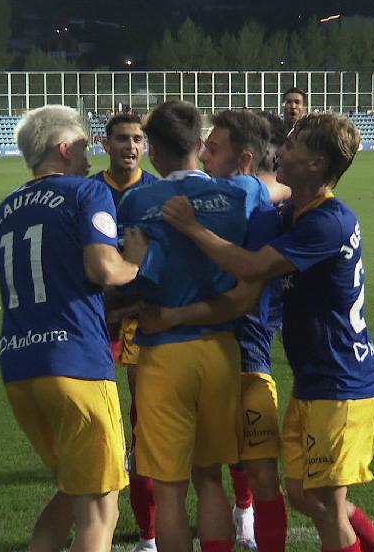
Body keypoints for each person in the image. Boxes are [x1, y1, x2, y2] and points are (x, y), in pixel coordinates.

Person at [147, 113, 374, 552]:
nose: (281, 151)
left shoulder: (326, 222)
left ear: (317, 164)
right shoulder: (293, 212)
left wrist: (191, 226)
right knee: (303, 495)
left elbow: (251, 269)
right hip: (315, 379)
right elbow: (268, 190)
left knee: (326, 505)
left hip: (343, 383)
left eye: (294, 145)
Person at [116, 100, 265, 552]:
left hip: (163, 351)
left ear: (153, 152)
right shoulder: (244, 192)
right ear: (200, 146)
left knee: (169, 486)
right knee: (211, 478)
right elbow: (270, 191)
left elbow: (129, 274)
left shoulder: (137, 200)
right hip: (220, 349)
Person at [0, 105, 143, 551]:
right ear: (62, 149)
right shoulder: (85, 192)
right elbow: (102, 269)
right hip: (75, 363)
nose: (87, 153)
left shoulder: (6, 207)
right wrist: (135, 259)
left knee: (71, 489)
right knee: (101, 511)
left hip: (20, 365)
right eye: (81, 145)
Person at [197, 109, 287, 552]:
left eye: (212, 150)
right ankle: (243, 513)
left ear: (245, 160)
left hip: (248, 354)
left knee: (261, 470)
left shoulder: (258, 208)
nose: (203, 156)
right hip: (202, 356)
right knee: (210, 470)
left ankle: (247, 512)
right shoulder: (215, 197)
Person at [89, 111, 159, 552]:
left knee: (143, 416)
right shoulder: (91, 190)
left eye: (137, 139)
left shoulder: (155, 191)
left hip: (141, 315)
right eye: (121, 139)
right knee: (99, 410)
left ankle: (146, 528)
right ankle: (101, 481)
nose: (130, 147)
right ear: (106, 143)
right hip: (97, 315)